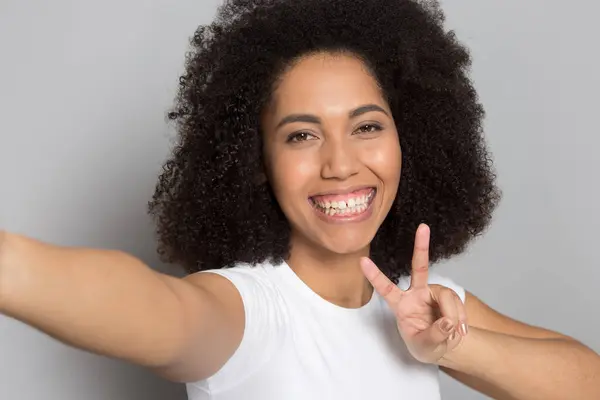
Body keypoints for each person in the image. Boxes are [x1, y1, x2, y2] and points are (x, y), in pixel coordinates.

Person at [0, 0, 599, 399]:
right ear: (255, 160)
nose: (340, 164)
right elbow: (152, 309)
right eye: (301, 135)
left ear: (408, 137)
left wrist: (451, 345)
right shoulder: (250, 312)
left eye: (366, 126)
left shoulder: (425, 307)